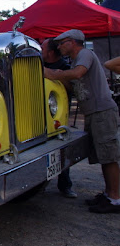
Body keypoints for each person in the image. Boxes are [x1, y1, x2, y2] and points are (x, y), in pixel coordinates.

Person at [44, 29, 120, 213]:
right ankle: (108, 194)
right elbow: (74, 84)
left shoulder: (85, 54)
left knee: (109, 157)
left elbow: (78, 74)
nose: (59, 47)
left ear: (72, 42)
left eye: (62, 43)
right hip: (94, 112)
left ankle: (115, 199)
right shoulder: (76, 60)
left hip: (102, 111)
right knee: (103, 155)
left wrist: (53, 74)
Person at [41, 38, 76, 198]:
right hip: (40, 112)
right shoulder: (38, 63)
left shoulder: (64, 67)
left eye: (42, 47)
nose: (40, 49)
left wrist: (55, 76)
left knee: (60, 143)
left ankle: (65, 184)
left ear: (50, 52)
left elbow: (72, 87)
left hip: (57, 112)